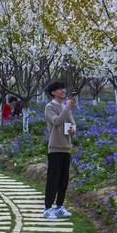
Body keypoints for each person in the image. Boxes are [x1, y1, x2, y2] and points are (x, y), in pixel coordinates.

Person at [43, 81, 76, 219]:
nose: (63, 90)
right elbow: (56, 122)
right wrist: (67, 108)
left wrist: (72, 129)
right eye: (59, 89)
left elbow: (72, 124)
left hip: (66, 148)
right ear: (53, 92)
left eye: (63, 88)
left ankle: (60, 206)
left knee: (64, 179)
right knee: (53, 179)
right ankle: (48, 208)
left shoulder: (65, 107)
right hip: (55, 148)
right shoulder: (49, 107)